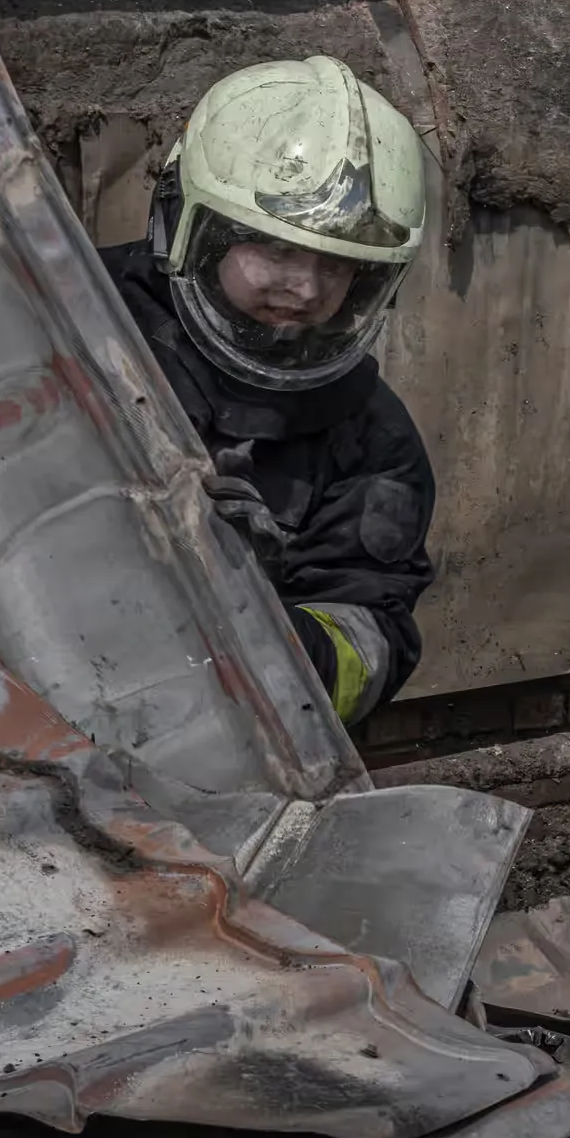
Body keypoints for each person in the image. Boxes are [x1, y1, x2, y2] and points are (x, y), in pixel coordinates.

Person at [102, 56, 440, 728]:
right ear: (192, 228)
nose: (306, 289)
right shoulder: (76, 324)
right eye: (276, 251)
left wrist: (254, 612)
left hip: (198, 748)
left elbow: (367, 649)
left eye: (338, 266)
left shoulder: (373, 442)